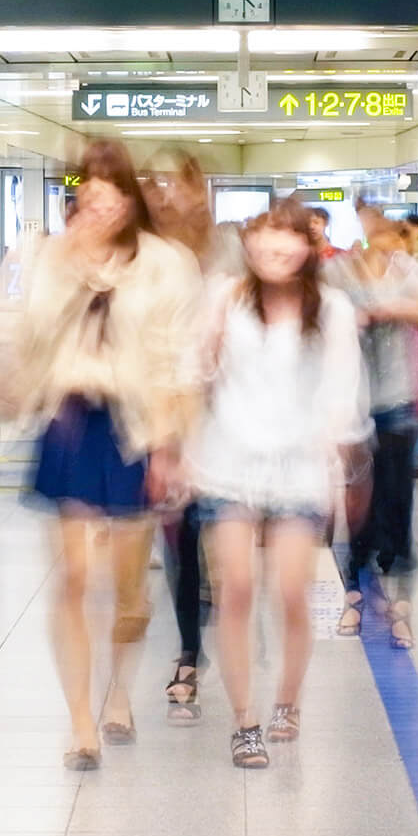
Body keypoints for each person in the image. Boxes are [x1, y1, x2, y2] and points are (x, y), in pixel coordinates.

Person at [0, 140, 202, 769]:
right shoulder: (42, 258)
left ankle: (119, 688)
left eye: (110, 197)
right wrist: (64, 269)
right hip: (69, 421)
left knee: (128, 591)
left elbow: (181, 359)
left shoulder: (166, 265)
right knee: (73, 578)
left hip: (136, 429)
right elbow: (15, 337)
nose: (97, 208)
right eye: (86, 197)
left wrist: (170, 444)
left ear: (129, 200)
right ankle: (80, 721)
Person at [185, 199, 368, 767]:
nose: (276, 247)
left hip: (298, 466)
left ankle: (287, 701)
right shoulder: (224, 296)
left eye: (289, 236)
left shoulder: (332, 308)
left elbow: (343, 392)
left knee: (292, 593)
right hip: (229, 461)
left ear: (310, 246)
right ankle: (245, 722)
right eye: (264, 235)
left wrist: (338, 465)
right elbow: (192, 370)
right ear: (248, 242)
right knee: (235, 589)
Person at [142, 148, 243, 723]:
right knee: (179, 536)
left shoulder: (229, 246)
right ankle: (187, 652)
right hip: (173, 414)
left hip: (229, 411)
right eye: (158, 185)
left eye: (176, 183)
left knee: (226, 537)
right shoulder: (153, 254)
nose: (168, 195)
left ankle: (231, 653)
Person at [330, 206, 418, 647]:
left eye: (386, 232)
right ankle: (354, 588)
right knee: (357, 502)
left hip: (397, 399)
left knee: (397, 498)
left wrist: (387, 308)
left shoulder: (407, 270)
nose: (378, 238)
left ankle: (400, 600)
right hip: (351, 402)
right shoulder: (338, 271)